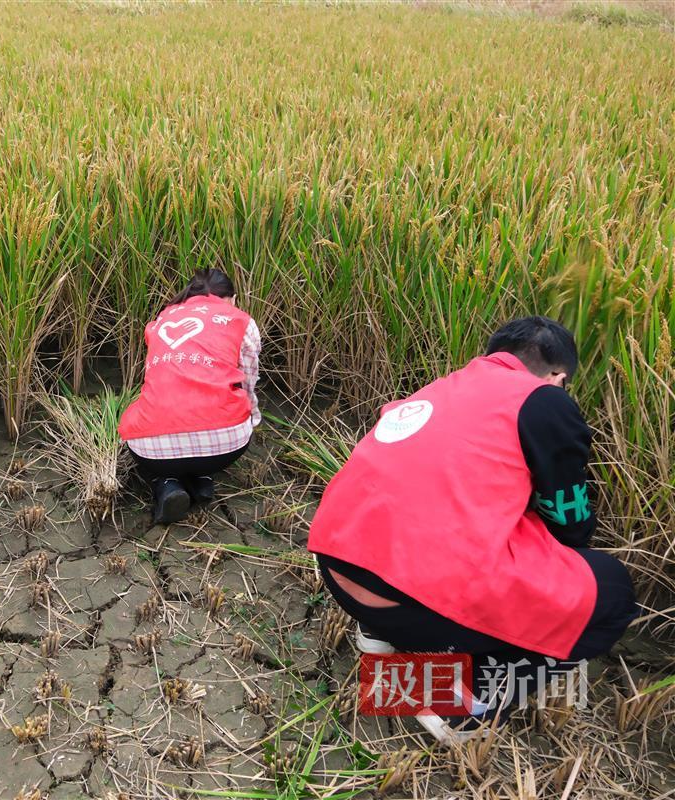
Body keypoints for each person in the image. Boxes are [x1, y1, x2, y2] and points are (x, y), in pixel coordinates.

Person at [309, 316, 638, 743]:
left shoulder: (441, 386)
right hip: (404, 597)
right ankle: (456, 702)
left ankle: (376, 635)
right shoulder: (543, 399)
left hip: (336, 569)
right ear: (558, 377)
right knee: (612, 593)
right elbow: (569, 523)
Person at [118, 269, 262, 524]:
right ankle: (202, 478)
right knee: (229, 412)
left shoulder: (163, 318)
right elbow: (249, 381)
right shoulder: (240, 319)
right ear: (232, 298)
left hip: (153, 449)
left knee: (136, 422)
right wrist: (252, 419)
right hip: (226, 446)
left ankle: (167, 484)